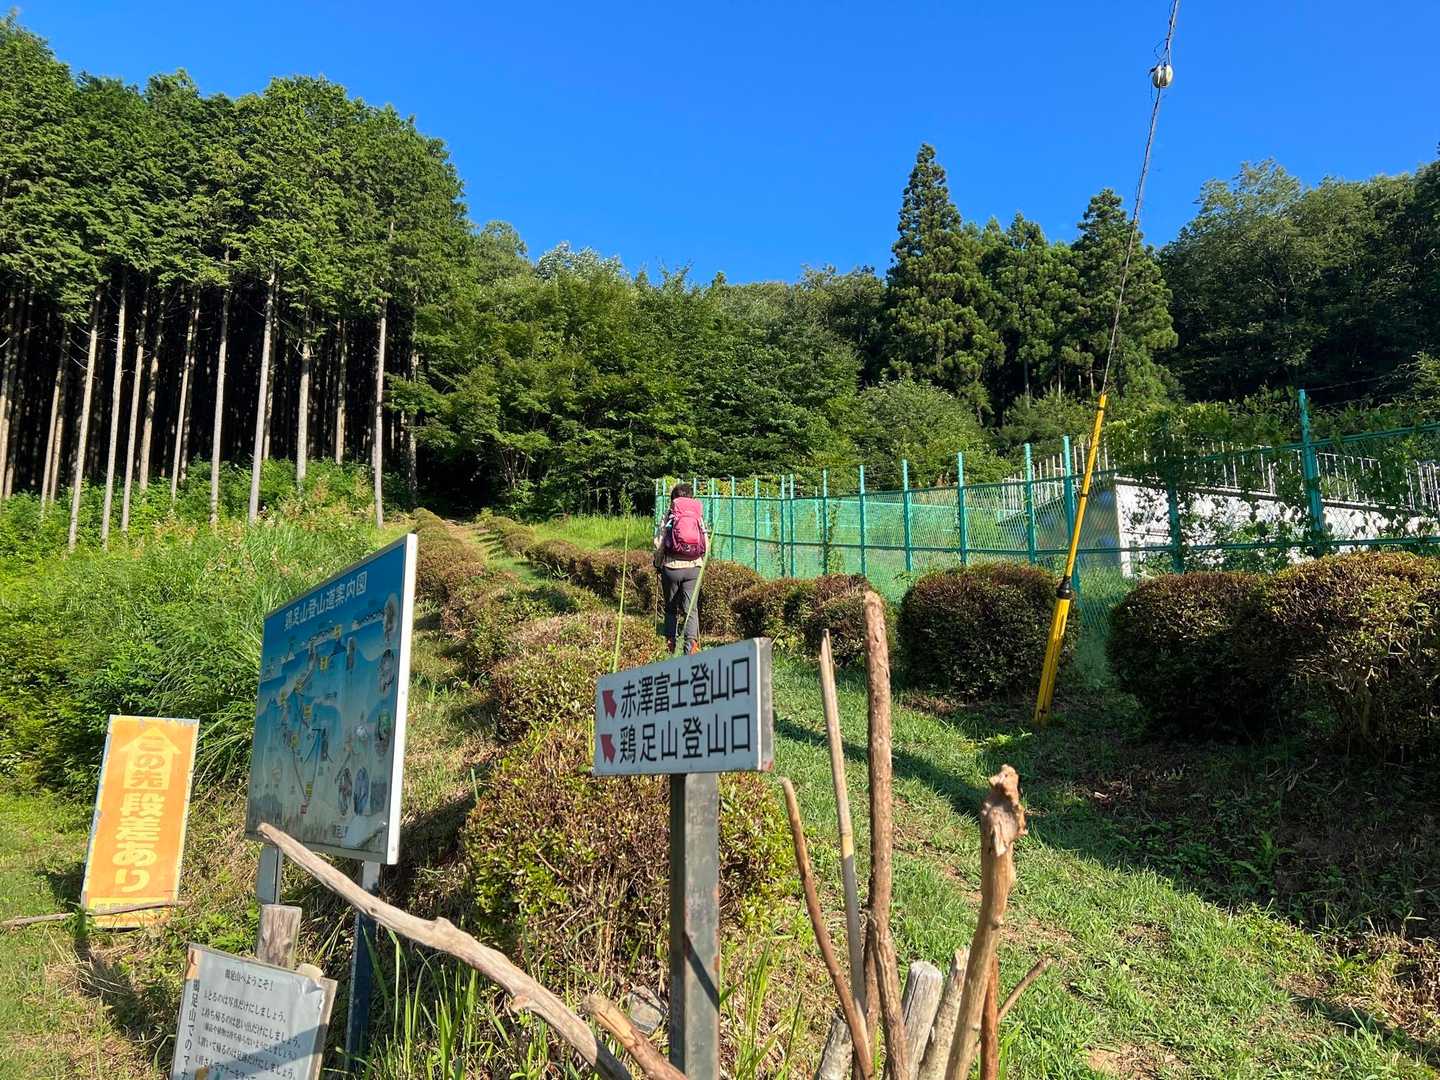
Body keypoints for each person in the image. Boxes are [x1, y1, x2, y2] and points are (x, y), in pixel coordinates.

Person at [653, 482, 708, 654]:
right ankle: (691, 647)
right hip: (694, 567)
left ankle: (670, 643)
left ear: (673, 499)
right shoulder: (698, 515)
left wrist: (657, 563)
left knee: (671, 607)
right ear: (691, 497)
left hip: (671, 567)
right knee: (691, 609)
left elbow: (659, 543)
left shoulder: (669, 515)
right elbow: (706, 543)